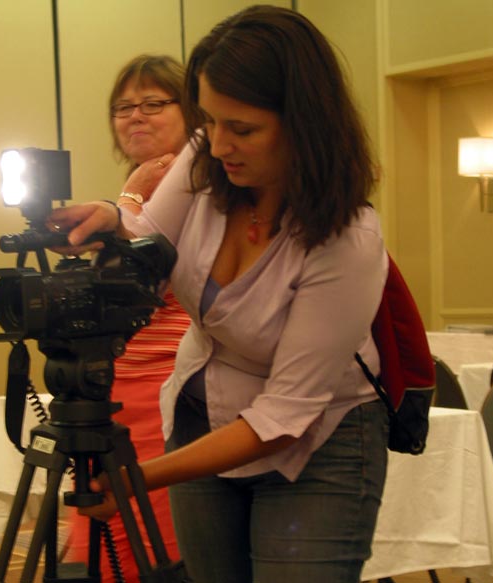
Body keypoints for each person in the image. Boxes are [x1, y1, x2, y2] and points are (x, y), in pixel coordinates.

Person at [51, 6, 389, 582]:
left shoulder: (346, 239)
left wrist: (142, 478)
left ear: (304, 123)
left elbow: (285, 417)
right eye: (210, 122)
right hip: (204, 416)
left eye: (244, 129)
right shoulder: (209, 157)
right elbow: (148, 242)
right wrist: (111, 215)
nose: (219, 143)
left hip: (319, 443)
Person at [64, 54, 189, 582]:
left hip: (172, 380)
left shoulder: (206, 184)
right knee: (102, 528)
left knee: (155, 531)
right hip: (117, 375)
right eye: (123, 107)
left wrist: (130, 197)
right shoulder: (137, 185)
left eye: (154, 104)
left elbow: (146, 277)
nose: (135, 116)